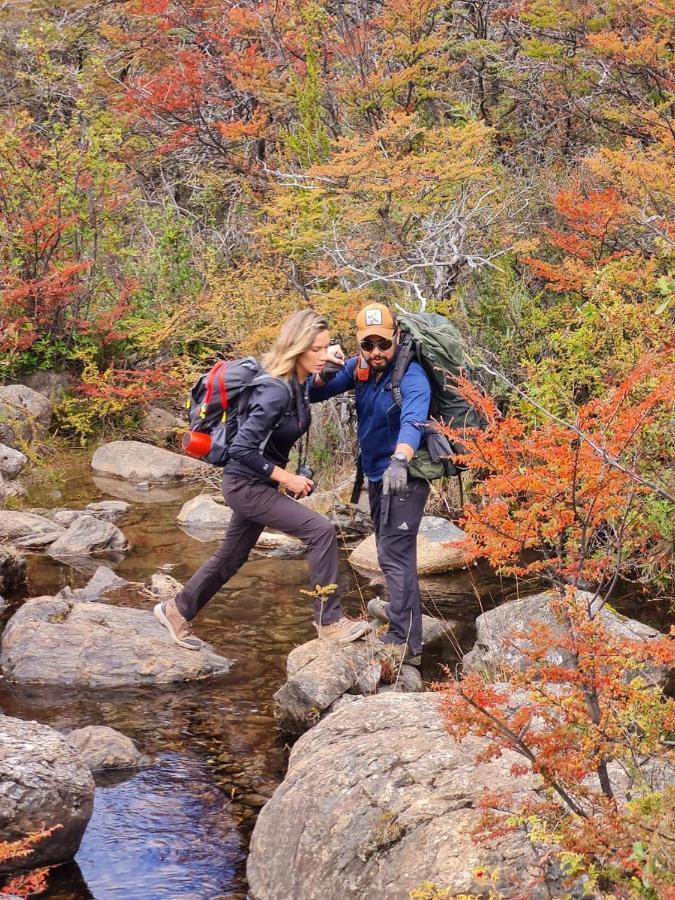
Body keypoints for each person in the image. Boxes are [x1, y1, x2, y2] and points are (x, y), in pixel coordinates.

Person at [155, 309, 372, 650]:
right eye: (315, 349)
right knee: (321, 532)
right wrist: (288, 478)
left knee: (231, 556)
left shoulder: (296, 382)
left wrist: (332, 365)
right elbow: (241, 449)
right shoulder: (276, 390)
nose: (322, 354)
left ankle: (176, 610)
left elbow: (313, 389)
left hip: (257, 482)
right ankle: (329, 621)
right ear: (297, 347)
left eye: (326, 347)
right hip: (246, 485)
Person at [311, 303, 432, 665]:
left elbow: (414, 420)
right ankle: (405, 632)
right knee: (388, 553)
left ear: (396, 337)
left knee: (395, 555)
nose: (376, 352)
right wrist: (323, 372)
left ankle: (403, 642)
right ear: (360, 345)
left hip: (405, 477)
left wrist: (401, 458)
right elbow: (313, 394)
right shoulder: (360, 369)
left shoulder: (411, 376)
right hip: (379, 476)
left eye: (383, 343)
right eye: (368, 345)